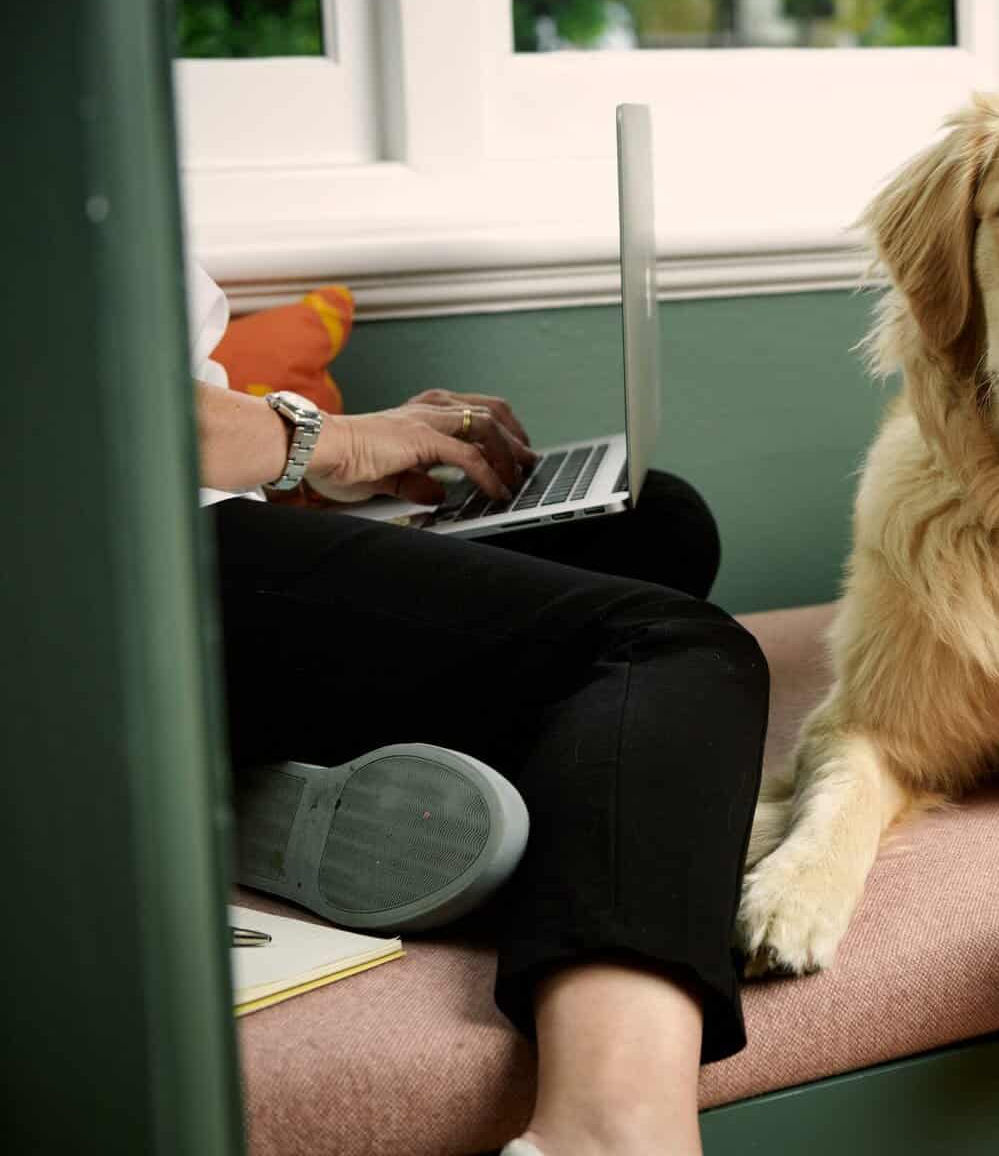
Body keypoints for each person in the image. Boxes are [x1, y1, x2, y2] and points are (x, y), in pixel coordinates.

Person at [188, 260, 768, 1156]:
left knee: (656, 520)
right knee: (675, 647)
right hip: (115, 570)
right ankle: (608, 1130)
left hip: (214, 503)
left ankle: (248, 779)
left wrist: (304, 474)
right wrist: (333, 439)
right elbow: (89, 415)